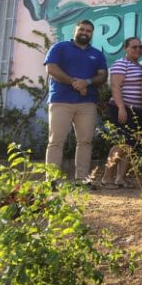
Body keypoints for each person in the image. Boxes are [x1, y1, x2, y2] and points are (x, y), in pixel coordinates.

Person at [44, 20, 108, 184]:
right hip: (60, 101)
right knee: (56, 141)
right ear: (74, 31)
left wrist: (86, 82)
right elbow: (51, 68)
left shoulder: (97, 54)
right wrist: (75, 83)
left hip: (87, 103)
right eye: (82, 29)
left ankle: (81, 180)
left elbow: (102, 76)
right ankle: (52, 181)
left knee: (85, 141)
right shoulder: (60, 47)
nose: (85, 33)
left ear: (91, 34)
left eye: (88, 31)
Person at [101, 37, 142, 189]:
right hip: (122, 108)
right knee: (123, 143)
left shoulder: (140, 67)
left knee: (131, 144)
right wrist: (121, 107)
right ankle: (107, 178)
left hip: (136, 111)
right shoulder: (121, 64)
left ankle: (120, 179)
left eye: (140, 47)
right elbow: (115, 86)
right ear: (126, 48)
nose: (138, 49)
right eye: (134, 47)